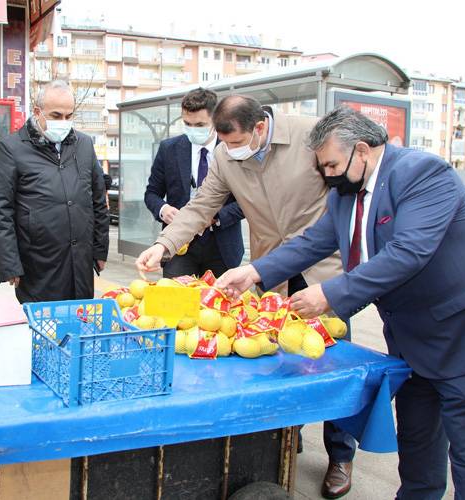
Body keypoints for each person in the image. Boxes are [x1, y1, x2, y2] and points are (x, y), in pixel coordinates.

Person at [216, 106, 465, 499]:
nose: (326, 175)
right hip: (412, 349)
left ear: (361, 151)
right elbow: (313, 242)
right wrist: (254, 273)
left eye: (330, 165)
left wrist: (328, 293)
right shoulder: (346, 195)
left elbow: (407, 253)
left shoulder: (423, 174)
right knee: (418, 455)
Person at [136, 95, 357, 498]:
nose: (230, 151)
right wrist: (165, 245)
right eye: (224, 143)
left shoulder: (311, 137)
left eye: (235, 141)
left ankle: (341, 454)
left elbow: (346, 195)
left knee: (332, 362)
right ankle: (287, 440)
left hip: (323, 268)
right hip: (271, 271)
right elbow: (202, 204)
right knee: (281, 359)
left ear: (259, 128)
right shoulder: (225, 155)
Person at [0, 80, 109, 303]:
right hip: (37, 262)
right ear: (38, 112)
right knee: (44, 327)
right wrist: (10, 264)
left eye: (68, 116)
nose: (63, 122)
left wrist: (100, 250)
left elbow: (98, 200)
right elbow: (0, 211)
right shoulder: (11, 149)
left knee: (79, 324)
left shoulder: (83, 145)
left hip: (80, 261)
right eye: (56, 116)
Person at [144, 88, 244, 278]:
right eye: (187, 124)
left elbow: (247, 200)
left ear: (215, 120)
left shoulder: (232, 149)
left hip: (222, 247)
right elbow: (151, 194)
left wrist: (217, 216)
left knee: (219, 304)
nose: (192, 129)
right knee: (175, 302)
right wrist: (163, 209)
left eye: (199, 124)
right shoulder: (169, 149)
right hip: (179, 248)